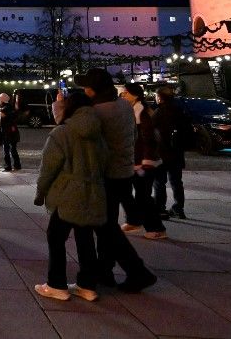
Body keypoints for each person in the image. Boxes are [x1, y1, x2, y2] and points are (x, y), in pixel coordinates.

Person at [76, 68, 157, 293]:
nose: (83, 89)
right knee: (107, 223)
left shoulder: (97, 111)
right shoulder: (123, 105)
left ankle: (137, 271)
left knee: (105, 227)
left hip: (106, 174)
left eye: (86, 86)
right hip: (123, 171)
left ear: (93, 89)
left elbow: (82, 136)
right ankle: (106, 269)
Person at [34, 91, 107, 301]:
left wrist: (41, 193)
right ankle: (87, 285)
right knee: (85, 238)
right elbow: (104, 160)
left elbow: (48, 168)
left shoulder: (62, 133)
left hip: (67, 193)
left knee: (55, 237)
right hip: (92, 192)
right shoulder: (98, 132)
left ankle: (57, 284)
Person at [120, 83, 167, 240]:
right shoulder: (132, 111)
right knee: (127, 193)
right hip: (133, 161)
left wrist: (147, 159)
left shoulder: (142, 113)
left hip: (144, 162)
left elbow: (149, 139)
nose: (123, 96)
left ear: (135, 95)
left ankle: (156, 228)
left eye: (125, 93)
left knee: (143, 196)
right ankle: (134, 221)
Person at [152, 85, 187, 220]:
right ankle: (179, 208)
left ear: (160, 98)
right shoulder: (179, 111)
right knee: (176, 181)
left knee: (159, 182)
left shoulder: (158, 113)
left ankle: (160, 208)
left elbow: (152, 133)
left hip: (162, 153)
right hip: (177, 153)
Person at [0, 92, 22, 172]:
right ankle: (17, 165)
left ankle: (8, 166)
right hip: (12, 132)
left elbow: (5, 121)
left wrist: (4, 116)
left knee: (6, 149)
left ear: (2, 100)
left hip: (7, 132)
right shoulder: (9, 107)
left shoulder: (4, 109)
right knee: (13, 149)